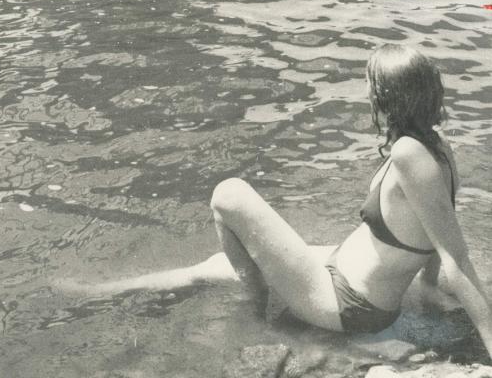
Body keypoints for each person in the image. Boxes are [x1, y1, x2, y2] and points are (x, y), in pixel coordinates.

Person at [69, 44, 492, 357]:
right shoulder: (435, 146)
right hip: (349, 284)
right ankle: (104, 290)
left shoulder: (408, 155)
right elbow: (439, 225)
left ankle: (255, 316)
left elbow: (455, 256)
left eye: (370, 86)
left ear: (387, 96)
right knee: (214, 267)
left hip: (345, 303)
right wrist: (430, 289)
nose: (366, 93)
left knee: (229, 194)